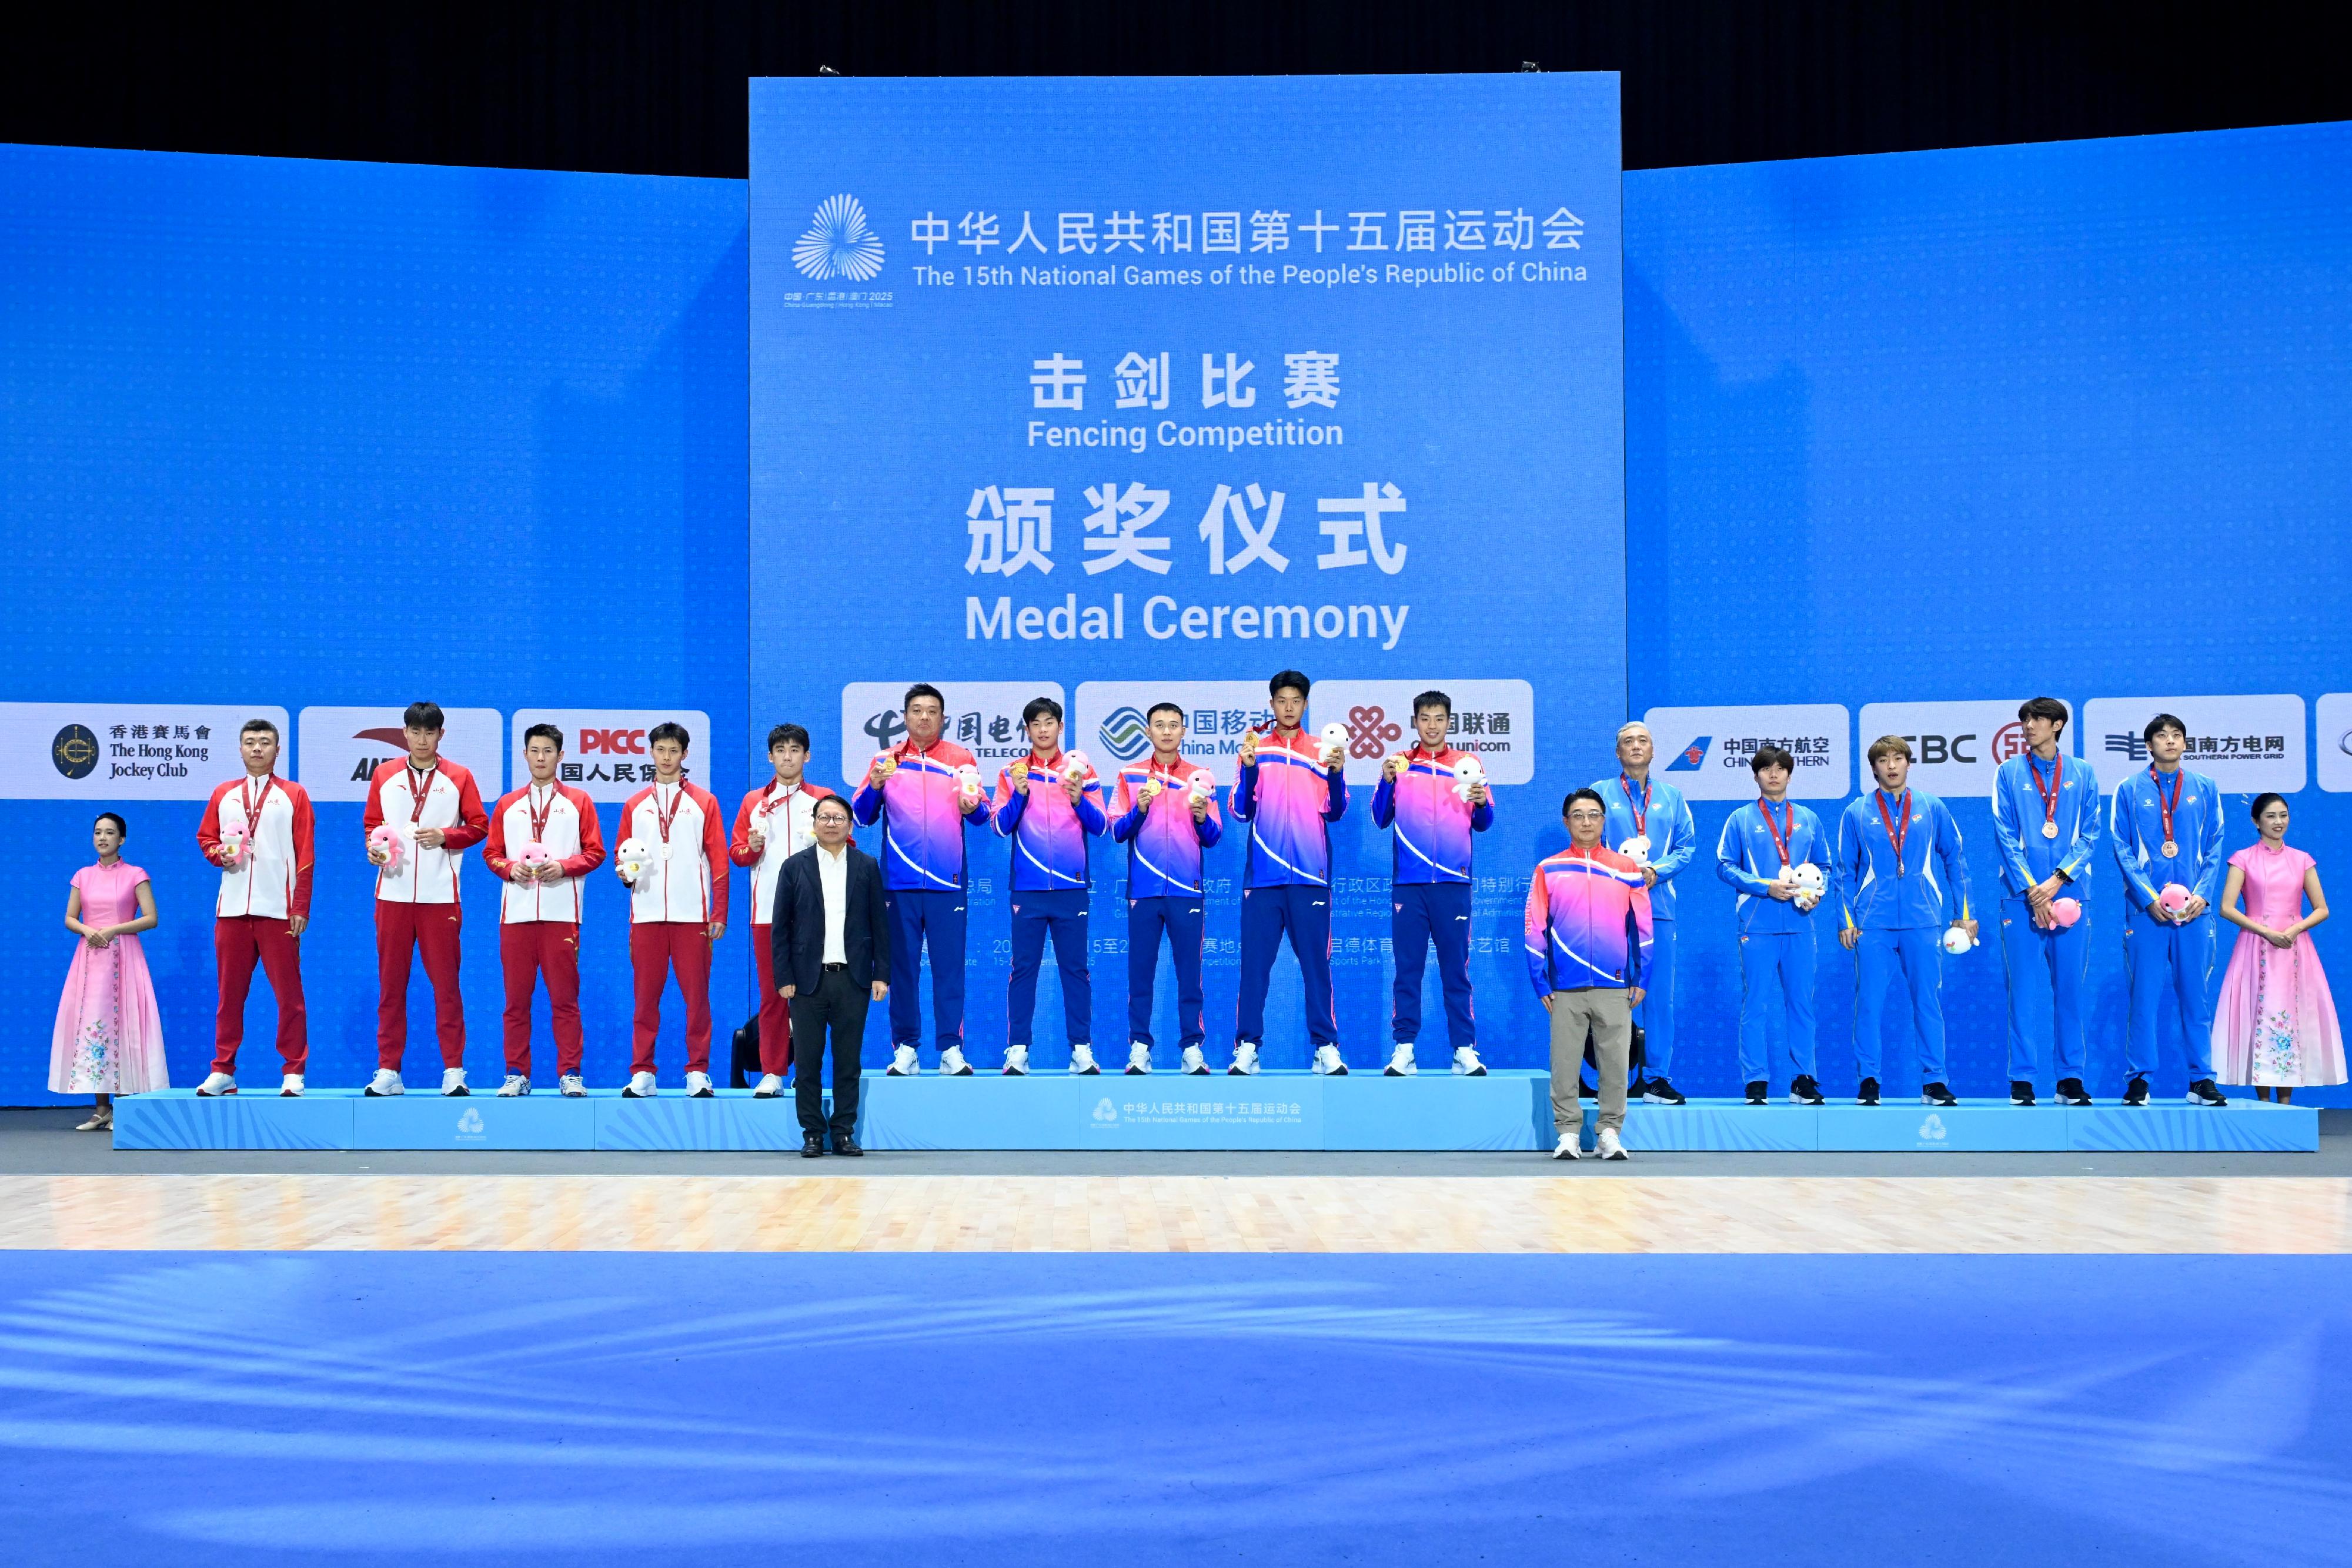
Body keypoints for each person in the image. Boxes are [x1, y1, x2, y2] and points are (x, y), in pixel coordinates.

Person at [852, 683, 991, 1076]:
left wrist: (973, 805)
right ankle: (906, 1047)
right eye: (917, 710)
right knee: (902, 968)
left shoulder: (960, 758)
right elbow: (862, 815)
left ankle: (950, 1047)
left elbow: (982, 815)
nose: (925, 717)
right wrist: (876, 785)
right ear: (906, 716)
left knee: (950, 967)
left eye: (933, 710)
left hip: (948, 882)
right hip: (899, 882)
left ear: (943, 718)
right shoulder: (886, 759)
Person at [1836, 735, 1975, 1106]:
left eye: (1899, 758)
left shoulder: (1931, 808)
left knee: (1927, 1001)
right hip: (1873, 923)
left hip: (1923, 919)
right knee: (1868, 1002)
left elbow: (1955, 861)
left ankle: (1934, 1081)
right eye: (1884, 760)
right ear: (1874, 768)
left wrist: (1964, 915)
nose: (1892, 765)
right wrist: (1846, 919)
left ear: (1909, 763)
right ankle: (1869, 1079)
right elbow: (1844, 873)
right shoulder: (1856, 812)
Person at [362, 701, 489, 1096]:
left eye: (429, 732)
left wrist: (446, 836)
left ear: (440, 735)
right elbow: (372, 824)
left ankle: (454, 1070)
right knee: (391, 986)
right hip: (393, 895)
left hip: (439, 897)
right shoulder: (383, 775)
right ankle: (389, 1071)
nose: (422, 739)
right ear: (405, 734)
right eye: (415, 732)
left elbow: (480, 825)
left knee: (447, 986)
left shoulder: (459, 776)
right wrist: (373, 848)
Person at [1230, 669, 1348, 1074]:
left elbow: (1335, 809)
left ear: (1306, 704)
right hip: (1262, 878)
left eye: (1296, 701)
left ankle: (1325, 1046)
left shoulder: (1321, 751)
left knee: (1317, 964)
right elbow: (1240, 809)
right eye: (1281, 701)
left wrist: (1336, 773)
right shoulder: (1255, 749)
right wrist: (1247, 770)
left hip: (1310, 877)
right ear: (1272, 704)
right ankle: (1247, 1046)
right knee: (1255, 967)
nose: (1288, 708)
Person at [1372, 689, 1494, 1076]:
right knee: (1408, 969)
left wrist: (1481, 802)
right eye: (1424, 718)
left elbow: (1485, 822)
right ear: (1415, 722)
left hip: (1454, 884)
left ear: (1449, 722)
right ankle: (1405, 1048)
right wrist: (1387, 781)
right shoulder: (1400, 764)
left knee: (1455, 969)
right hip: (1409, 885)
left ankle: (1463, 1049)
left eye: (1439, 718)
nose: (1432, 725)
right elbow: (1379, 816)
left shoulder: (1468, 764)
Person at [2110, 714, 2229, 1106]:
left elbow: (2215, 845)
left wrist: (2203, 896)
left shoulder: (2205, 788)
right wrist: (2147, 897)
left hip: (2194, 913)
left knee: (2196, 997)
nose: (2171, 741)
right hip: (2148, 914)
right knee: (2143, 996)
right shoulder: (2129, 789)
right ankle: (2140, 1078)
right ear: (2149, 744)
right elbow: (2122, 847)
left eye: (2177, 735)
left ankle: (2202, 1079)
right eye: (2162, 736)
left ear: (2185, 742)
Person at [1990, 696, 2103, 1106]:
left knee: (2070, 990)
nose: (2028, 725)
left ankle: (2070, 1079)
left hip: (2071, 894)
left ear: (2057, 725)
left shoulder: (2084, 773)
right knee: (2022, 990)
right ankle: (2022, 1079)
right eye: (2025, 719)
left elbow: (2091, 834)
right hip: (2020, 898)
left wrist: (2056, 881)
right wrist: (2031, 889)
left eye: (2037, 719)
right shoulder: (2008, 772)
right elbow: (2004, 834)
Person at [1526, 790, 1651, 1161]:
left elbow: (1643, 926)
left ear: (1603, 821)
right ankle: (1568, 1134)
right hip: (1565, 986)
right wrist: (1540, 979)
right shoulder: (1548, 869)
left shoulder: (1626, 869)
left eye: (1593, 815)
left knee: (1615, 1063)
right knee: (1564, 1063)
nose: (1586, 822)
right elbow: (1535, 928)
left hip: (1615, 985)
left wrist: (1641, 978)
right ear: (1566, 822)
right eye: (1578, 815)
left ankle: (1609, 1132)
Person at [483, 723, 606, 1096]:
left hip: (560, 914)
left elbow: (596, 852)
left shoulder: (579, 802)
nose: (541, 758)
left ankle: (570, 1073)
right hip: (516, 915)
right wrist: (509, 868)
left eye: (548, 751)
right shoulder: (507, 804)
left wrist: (564, 867)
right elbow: (491, 853)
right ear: (524, 755)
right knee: (515, 1001)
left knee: (565, 1000)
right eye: (534, 751)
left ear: (561, 756)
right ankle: (516, 1073)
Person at [194, 717, 314, 1096]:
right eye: (250, 742)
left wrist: (301, 907)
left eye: (265, 742)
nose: (257, 748)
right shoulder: (224, 794)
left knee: (289, 997)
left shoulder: (294, 794)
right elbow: (206, 839)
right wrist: (219, 856)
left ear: (278, 750)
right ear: (240, 749)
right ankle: (223, 1071)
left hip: (278, 910)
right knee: (229, 996)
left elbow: (306, 856)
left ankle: (294, 1071)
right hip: (231, 910)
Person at [991, 697, 1106, 1075]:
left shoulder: (1080, 772)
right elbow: (999, 826)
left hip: (1072, 889)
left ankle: (1081, 1050)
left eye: (1050, 722)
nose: (1043, 729)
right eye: (1035, 723)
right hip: (1027, 889)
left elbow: (1102, 825)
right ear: (1027, 730)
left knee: (1076, 970)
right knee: (1024, 969)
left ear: (1060, 727)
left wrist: (1078, 800)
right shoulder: (1013, 773)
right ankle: (1018, 1050)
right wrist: (1020, 797)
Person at [773, 793, 891, 1156]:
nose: (831, 823)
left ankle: (843, 1132)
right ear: (815, 823)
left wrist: (880, 974)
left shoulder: (866, 865)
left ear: (850, 825)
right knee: (808, 1062)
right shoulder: (794, 867)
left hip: (852, 979)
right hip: (807, 980)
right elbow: (781, 928)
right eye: (824, 817)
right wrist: (784, 977)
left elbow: (879, 924)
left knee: (848, 1061)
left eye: (839, 818)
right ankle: (811, 1132)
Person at [616, 721, 729, 1098]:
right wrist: (625, 875)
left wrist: (719, 913)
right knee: (645, 999)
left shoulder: (704, 802)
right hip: (646, 917)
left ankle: (697, 1070)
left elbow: (719, 862)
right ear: (651, 753)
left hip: (691, 917)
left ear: (685, 754)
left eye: (673, 751)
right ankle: (643, 1071)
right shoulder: (635, 805)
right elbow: (621, 857)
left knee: (697, 999)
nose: (666, 758)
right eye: (660, 750)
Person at [1716, 746, 1833, 1105]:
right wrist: (1765, 887)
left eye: (1780, 769)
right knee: (1756, 1003)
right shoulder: (1740, 818)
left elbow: (1824, 867)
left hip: (1800, 924)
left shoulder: (1809, 819)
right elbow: (1724, 865)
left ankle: (1803, 1080)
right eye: (1765, 769)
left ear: (1789, 774)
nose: (1773, 774)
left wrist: (1816, 895)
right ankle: (1756, 1081)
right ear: (1756, 776)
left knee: (1801, 1004)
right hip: (1758, 922)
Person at [1110, 703, 1223, 1075]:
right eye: (1159, 725)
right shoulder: (1130, 776)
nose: (1167, 732)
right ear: (1147, 732)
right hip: (1143, 891)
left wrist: (1203, 817)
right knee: (1140, 973)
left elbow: (1214, 836)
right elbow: (1116, 831)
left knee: (1190, 974)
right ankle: (1140, 1047)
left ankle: (1192, 1047)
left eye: (1174, 725)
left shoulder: (1200, 777)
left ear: (1185, 731)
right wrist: (1139, 810)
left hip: (1186, 891)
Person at [1592, 721, 1696, 1104]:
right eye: (1627, 742)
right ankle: (1614, 1075)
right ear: (1617, 753)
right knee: (1611, 996)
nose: (1635, 747)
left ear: (1653, 751)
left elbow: (1687, 847)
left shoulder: (1672, 796)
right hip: (1611, 912)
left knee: (1658, 997)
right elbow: (1588, 844)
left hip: (1659, 909)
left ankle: (1656, 1078)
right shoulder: (1600, 793)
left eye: (1643, 741)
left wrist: (1656, 871)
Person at [2213, 793, 2341, 1100]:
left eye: (2283, 815)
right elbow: (2227, 908)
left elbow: (2322, 908)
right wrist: (2266, 932)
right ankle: (2263, 1104)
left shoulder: (2302, 859)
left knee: (2293, 1017)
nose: (2278, 822)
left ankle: (2285, 1104)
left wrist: (2295, 929)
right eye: (2271, 816)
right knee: (2260, 1017)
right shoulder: (2242, 858)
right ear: (2256, 821)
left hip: (2296, 949)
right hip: (2256, 947)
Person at [731, 723, 832, 1096]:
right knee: (774, 995)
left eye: (795, 750)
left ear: (807, 756)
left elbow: (847, 843)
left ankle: (811, 1073)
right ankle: (773, 1072)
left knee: (816, 996)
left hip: (818, 916)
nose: (787, 756)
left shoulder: (824, 800)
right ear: (770, 757)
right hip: (767, 915)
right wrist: (754, 846)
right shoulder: (752, 802)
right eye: (780, 750)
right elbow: (738, 855)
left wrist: (825, 838)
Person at [52, 813, 165, 1130]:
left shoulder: (135, 874)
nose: (103, 838)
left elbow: (151, 917)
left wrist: (115, 929)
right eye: (98, 833)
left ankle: (125, 1107)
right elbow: (70, 918)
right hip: (90, 960)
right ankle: (101, 1109)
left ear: (122, 839)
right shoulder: (82, 876)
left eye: (110, 833)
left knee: (124, 1024)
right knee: (94, 1026)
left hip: (125, 957)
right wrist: (88, 931)